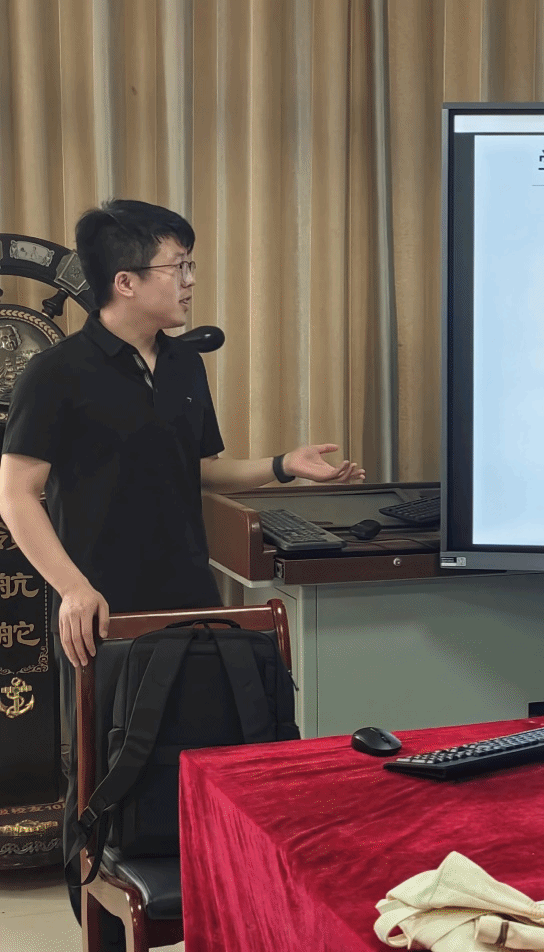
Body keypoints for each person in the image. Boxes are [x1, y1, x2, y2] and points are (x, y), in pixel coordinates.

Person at [0, 199, 365, 950]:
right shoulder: (57, 371)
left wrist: (283, 466)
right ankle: (103, 931)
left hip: (191, 602)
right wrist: (72, 587)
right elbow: (16, 495)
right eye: (179, 266)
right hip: (102, 615)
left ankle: (210, 919)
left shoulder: (184, 363)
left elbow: (194, 469)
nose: (191, 280)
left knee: (200, 769)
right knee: (104, 785)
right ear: (126, 281)